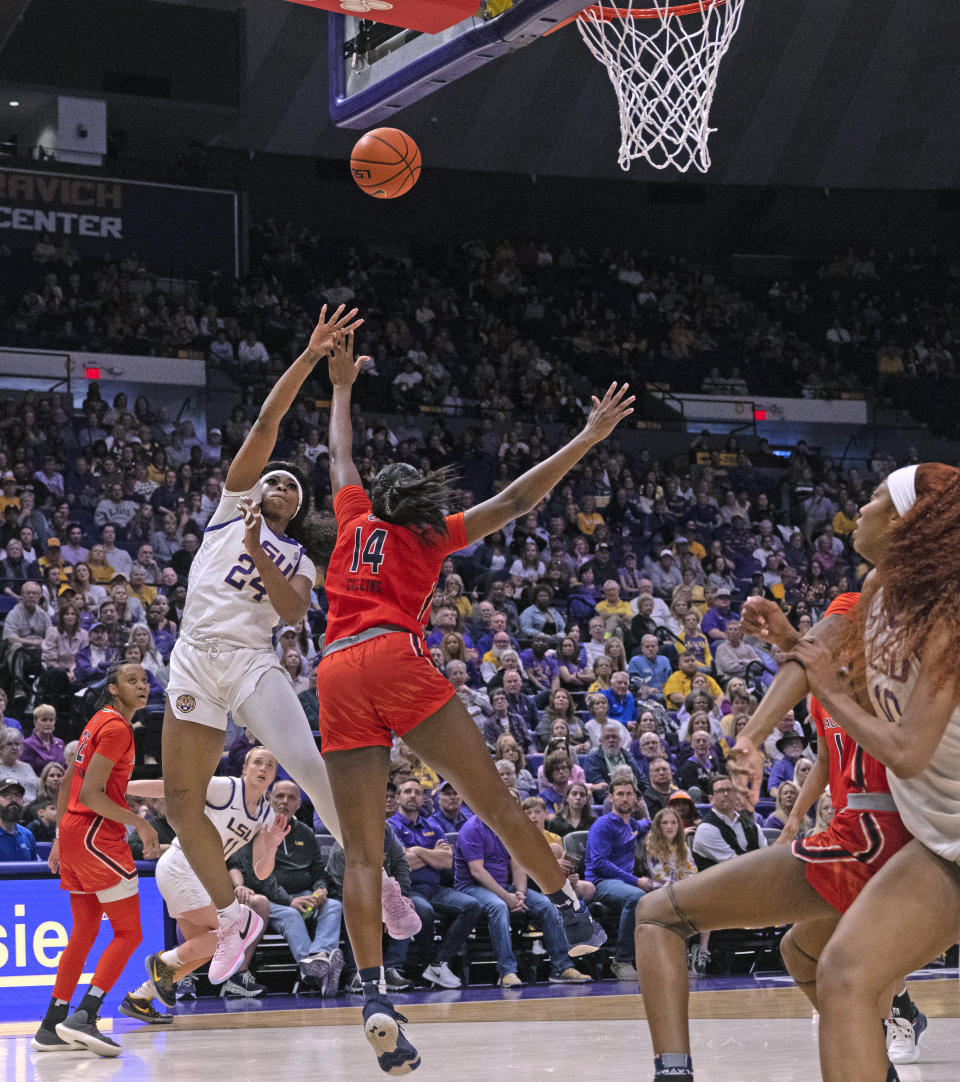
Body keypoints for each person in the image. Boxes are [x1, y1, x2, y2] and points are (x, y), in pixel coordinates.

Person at [317, 334, 626, 1074]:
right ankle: (574, 913)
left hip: (331, 671)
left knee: (361, 853)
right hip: (393, 655)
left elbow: (339, 456)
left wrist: (340, 390)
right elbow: (520, 498)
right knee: (491, 799)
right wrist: (587, 436)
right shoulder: (429, 536)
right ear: (415, 498)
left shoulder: (354, 519)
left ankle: (374, 995)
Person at [159, 307, 414, 990]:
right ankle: (231, 916)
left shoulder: (297, 555)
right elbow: (266, 425)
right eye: (275, 480)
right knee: (182, 805)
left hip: (249, 663)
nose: (278, 486)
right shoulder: (227, 507)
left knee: (309, 766)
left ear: (296, 509)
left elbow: (296, 611)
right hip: (192, 656)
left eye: (291, 487)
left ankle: (383, 882)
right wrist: (307, 359)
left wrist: (257, 553)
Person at [632, 585, 920, 1082]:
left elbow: (834, 674)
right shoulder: (862, 659)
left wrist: (751, 735)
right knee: (803, 952)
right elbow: (830, 753)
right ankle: (884, 1047)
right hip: (888, 830)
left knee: (656, 913)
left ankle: (672, 1073)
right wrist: (794, 817)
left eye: (877, 499)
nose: (867, 502)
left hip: (875, 833)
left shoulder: (866, 608)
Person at [782, 465, 960, 1081]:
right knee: (842, 972)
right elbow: (857, 702)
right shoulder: (879, 594)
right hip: (941, 841)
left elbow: (906, 752)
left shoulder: (949, 617)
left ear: (907, 524)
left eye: (878, 497)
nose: (861, 506)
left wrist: (828, 689)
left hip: (934, 829)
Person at [32, 663, 160, 1057]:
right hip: (95, 834)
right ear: (113, 689)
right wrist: (141, 822)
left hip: (74, 833)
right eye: (132, 681)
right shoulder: (118, 727)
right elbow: (90, 793)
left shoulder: (98, 721)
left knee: (85, 932)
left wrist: (59, 836)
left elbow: (72, 773)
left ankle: (52, 1024)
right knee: (130, 933)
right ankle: (85, 1015)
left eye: (144, 680)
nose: (141, 685)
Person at [119, 749, 284, 1020]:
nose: (263, 768)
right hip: (181, 863)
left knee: (204, 951)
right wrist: (122, 786)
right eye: (257, 762)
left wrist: (273, 845)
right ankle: (162, 963)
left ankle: (140, 997)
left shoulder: (266, 815)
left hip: (202, 875)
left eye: (270, 765)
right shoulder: (226, 788)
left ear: (274, 776)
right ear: (245, 768)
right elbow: (171, 789)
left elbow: (261, 871)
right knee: (228, 937)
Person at [227, 776, 343, 995]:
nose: (284, 801)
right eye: (279, 796)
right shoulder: (256, 830)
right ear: (269, 799)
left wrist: (320, 889)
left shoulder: (306, 833)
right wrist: (289, 901)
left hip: (305, 895)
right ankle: (312, 972)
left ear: (298, 804)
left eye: (291, 798)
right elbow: (256, 877)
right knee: (291, 915)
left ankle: (318, 956)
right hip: (271, 901)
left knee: (334, 905)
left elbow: (318, 871)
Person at [387, 778, 481, 989]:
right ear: (398, 798)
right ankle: (431, 962)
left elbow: (447, 861)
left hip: (436, 888)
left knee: (472, 905)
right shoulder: (390, 825)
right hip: (409, 889)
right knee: (424, 911)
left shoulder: (432, 825)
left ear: (424, 798)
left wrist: (417, 851)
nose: (413, 795)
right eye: (408, 791)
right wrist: (430, 854)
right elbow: (402, 863)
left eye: (418, 792)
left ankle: (439, 963)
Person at [585, 777, 653, 980]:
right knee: (636, 897)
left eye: (629, 794)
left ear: (635, 799)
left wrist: (676, 828)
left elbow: (648, 824)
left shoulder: (631, 824)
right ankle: (621, 960)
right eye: (620, 794)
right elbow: (599, 864)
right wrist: (636, 881)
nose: (625, 798)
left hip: (623, 882)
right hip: (600, 881)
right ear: (611, 798)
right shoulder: (603, 825)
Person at [0, 775, 38, 860]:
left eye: (18, 795)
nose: (13, 799)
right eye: (6, 794)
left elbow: (34, 871)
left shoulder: (27, 835)